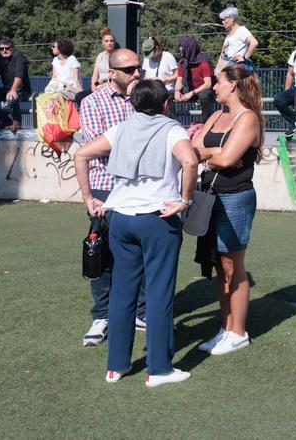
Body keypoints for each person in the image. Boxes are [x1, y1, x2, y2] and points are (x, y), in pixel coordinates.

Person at [73, 79, 198, 387]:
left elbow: (81, 155)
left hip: (120, 219)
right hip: (158, 219)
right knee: (158, 292)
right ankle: (159, 369)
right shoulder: (172, 130)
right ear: (166, 103)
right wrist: (185, 200)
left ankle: (115, 366)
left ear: (132, 104)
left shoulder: (121, 129)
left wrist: (89, 198)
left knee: (121, 292)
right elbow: (191, 160)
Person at [192, 65, 264, 356]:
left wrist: (213, 156)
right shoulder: (216, 115)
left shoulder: (247, 118)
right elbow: (196, 148)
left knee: (233, 265)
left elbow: (228, 159)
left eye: (219, 82)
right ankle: (225, 328)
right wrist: (214, 155)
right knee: (219, 265)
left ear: (233, 85)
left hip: (236, 198)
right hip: (210, 196)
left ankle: (238, 331)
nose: (214, 87)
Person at [77, 46, 145, 346]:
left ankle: (141, 311)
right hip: (105, 187)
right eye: (130, 69)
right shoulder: (92, 102)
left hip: (140, 187)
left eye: (138, 68)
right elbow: (99, 146)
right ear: (112, 73)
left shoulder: (144, 98)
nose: (137, 74)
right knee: (100, 255)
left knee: (140, 251)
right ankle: (102, 315)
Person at [173, 36, 216, 121]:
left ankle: (206, 121)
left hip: (203, 90)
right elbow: (179, 79)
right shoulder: (182, 63)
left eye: (182, 48)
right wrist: (177, 91)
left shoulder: (203, 63)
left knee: (204, 96)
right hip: (189, 90)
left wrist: (192, 93)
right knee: (169, 95)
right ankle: (174, 121)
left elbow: (208, 84)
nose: (180, 51)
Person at [215, 6, 258, 73]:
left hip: (235, 69)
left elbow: (254, 42)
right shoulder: (228, 35)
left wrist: (244, 57)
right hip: (225, 69)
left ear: (231, 18)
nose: (222, 22)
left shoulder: (241, 30)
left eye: (224, 19)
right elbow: (223, 53)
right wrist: (218, 69)